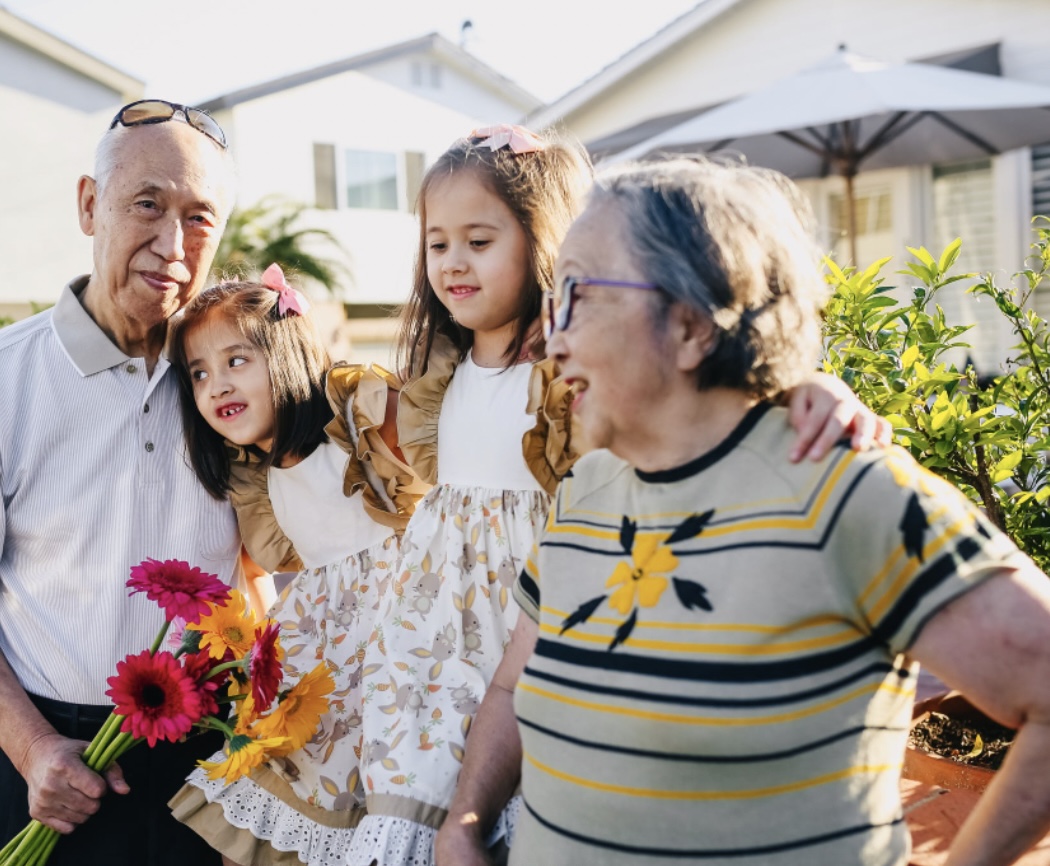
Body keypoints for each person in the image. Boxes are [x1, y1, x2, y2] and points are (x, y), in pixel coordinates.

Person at [435, 156, 1050, 866]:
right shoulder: (584, 492)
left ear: (692, 324)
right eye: (552, 303)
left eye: (578, 295)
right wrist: (465, 824)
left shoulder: (845, 490)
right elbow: (513, 685)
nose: (553, 338)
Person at [346, 127, 891, 866]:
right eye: (436, 244)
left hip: (536, 607)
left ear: (542, 244)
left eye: (478, 240)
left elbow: (699, 396)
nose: (452, 262)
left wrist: (811, 386)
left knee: (542, 791)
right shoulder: (436, 375)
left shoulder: (572, 368)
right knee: (430, 809)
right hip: (435, 636)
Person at [0, 100, 251, 866]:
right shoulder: (8, 379)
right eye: (147, 204)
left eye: (199, 218)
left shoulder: (241, 384)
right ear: (88, 205)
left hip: (210, 765)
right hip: (51, 767)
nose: (172, 245)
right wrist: (34, 749)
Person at [166, 270, 426, 866]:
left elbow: (437, 484)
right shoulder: (258, 479)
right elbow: (265, 570)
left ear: (286, 352)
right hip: (320, 676)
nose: (216, 385)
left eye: (236, 361)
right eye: (199, 373)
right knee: (266, 829)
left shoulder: (357, 424)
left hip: (403, 653)